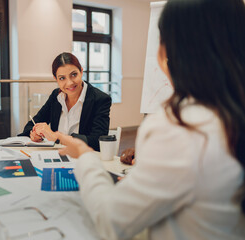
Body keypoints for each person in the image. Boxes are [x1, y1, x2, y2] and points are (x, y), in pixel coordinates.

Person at [52, 0, 245, 239]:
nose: (68, 83)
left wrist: (83, 155)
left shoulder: (180, 126)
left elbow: (113, 221)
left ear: (166, 52)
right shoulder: (227, 114)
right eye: (61, 78)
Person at [18, 52, 111, 151]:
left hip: (84, 159)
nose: (69, 83)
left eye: (74, 75)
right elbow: (31, 124)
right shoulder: (56, 96)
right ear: (56, 79)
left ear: (81, 72)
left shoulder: (100, 99)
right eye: (62, 78)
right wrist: (34, 133)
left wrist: (58, 137)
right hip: (56, 157)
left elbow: (97, 141)